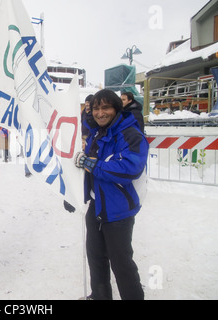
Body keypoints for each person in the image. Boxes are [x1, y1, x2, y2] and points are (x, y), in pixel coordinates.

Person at [74, 89, 148, 300]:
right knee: (96, 258)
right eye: (96, 108)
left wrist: (91, 164)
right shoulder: (97, 133)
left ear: (117, 108)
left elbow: (129, 168)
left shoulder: (131, 134)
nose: (100, 113)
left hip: (118, 211)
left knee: (122, 264)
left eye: (105, 107)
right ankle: (99, 296)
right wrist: (73, 193)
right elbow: (86, 169)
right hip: (96, 207)